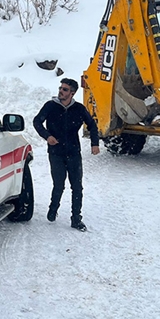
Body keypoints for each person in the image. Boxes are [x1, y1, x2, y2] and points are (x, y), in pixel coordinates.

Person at [33, 78, 100, 232]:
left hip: (73, 152)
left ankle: (76, 219)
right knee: (59, 184)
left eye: (65, 89)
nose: (61, 91)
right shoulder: (50, 106)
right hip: (56, 152)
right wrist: (47, 136)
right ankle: (53, 208)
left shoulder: (79, 109)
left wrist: (94, 143)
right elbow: (37, 121)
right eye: (60, 88)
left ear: (72, 93)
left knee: (77, 186)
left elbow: (92, 125)